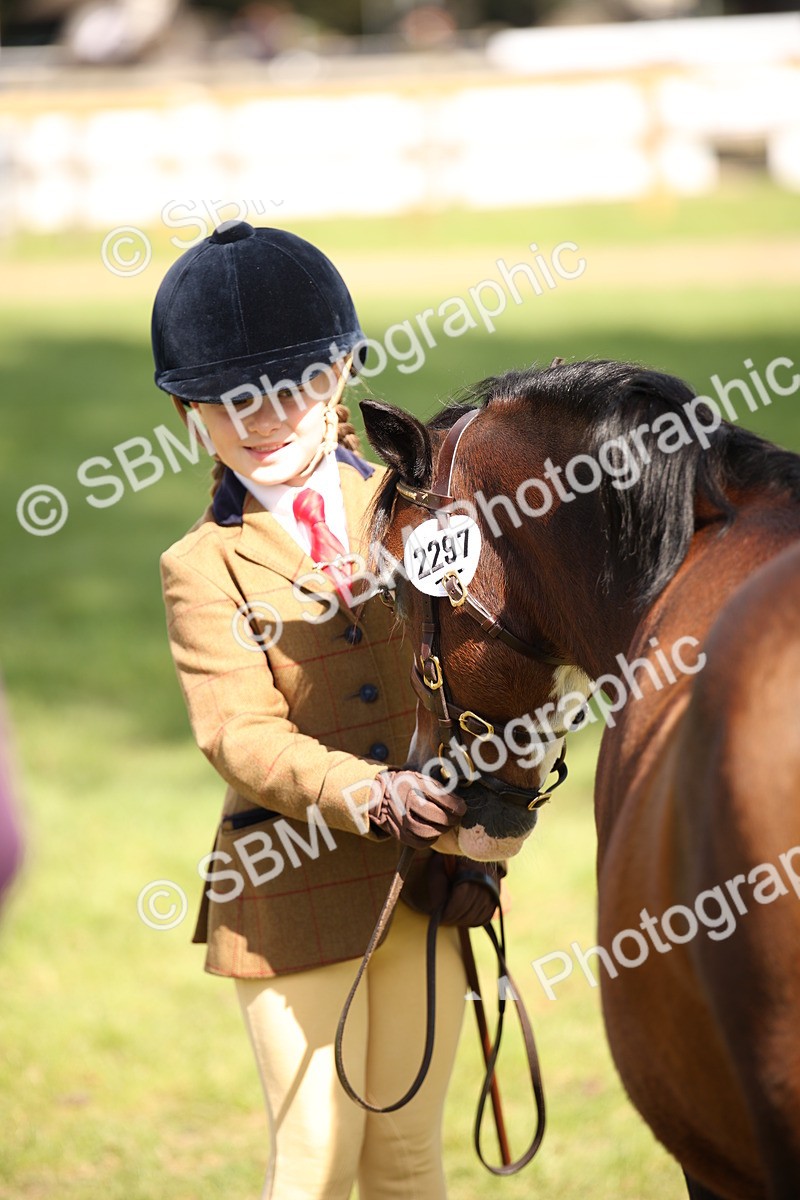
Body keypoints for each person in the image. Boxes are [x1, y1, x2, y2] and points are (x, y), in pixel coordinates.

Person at [151, 220, 471, 1200]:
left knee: (409, 1162)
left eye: (290, 387)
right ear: (189, 409)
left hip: (430, 880)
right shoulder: (200, 566)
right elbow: (238, 734)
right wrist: (367, 793)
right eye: (229, 398)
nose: (263, 416)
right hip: (291, 889)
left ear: (338, 375)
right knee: (315, 1166)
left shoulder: (418, 507)